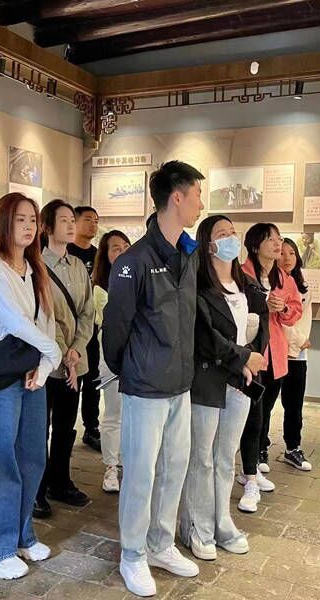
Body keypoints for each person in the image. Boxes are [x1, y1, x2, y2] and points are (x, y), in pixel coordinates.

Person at [103, 160, 204, 597]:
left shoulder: (189, 254)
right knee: (141, 473)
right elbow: (115, 328)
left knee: (174, 467)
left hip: (181, 384)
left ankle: (161, 543)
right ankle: (132, 553)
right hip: (145, 386)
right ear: (176, 198)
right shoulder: (134, 261)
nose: (201, 204)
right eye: (197, 195)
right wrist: (131, 369)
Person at [0, 192, 61, 580]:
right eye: (20, 219)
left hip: (32, 374)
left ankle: (22, 535)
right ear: (3, 223)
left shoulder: (35, 269)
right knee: (0, 462)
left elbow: (46, 320)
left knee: (32, 457)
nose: (28, 226)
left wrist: (46, 362)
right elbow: (16, 322)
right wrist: (52, 352)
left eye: (32, 220)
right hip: (3, 378)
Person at [179, 215, 269, 561]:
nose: (231, 238)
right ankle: (197, 527)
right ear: (208, 243)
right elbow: (205, 337)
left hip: (240, 383)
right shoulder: (199, 286)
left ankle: (222, 521)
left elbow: (260, 327)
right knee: (201, 458)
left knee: (225, 457)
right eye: (222, 234)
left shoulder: (248, 286)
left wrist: (252, 359)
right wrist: (242, 359)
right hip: (209, 380)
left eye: (233, 232)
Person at [35, 199, 94, 518]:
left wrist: (77, 349)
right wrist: (63, 354)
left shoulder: (78, 267)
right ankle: (37, 487)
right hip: (48, 363)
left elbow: (87, 312)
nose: (71, 225)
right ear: (47, 227)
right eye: (64, 220)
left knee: (66, 426)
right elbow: (45, 317)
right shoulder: (36, 267)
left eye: (73, 220)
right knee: (39, 427)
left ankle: (60, 481)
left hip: (74, 361)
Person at [236, 223, 302, 512]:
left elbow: (294, 311)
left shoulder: (283, 277)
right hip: (251, 354)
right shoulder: (240, 274)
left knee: (263, 414)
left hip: (275, 353)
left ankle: (250, 467)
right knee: (251, 415)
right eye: (271, 239)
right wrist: (263, 305)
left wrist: (282, 308)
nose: (278, 244)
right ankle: (249, 471)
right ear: (255, 245)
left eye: (279, 239)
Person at [91, 230, 131, 493]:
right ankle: (111, 467)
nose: (123, 251)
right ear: (105, 256)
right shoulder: (100, 289)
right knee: (114, 413)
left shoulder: (138, 280)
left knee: (133, 414)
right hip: (112, 357)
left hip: (137, 357)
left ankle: (127, 462)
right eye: (116, 248)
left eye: (126, 246)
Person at [67, 206, 102, 451]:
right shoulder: (66, 253)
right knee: (70, 384)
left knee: (92, 382)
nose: (93, 224)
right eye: (88, 219)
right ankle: (65, 431)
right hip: (68, 331)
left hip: (91, 329)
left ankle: (91, 427)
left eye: (96, 221)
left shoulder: (98, 255)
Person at [279, 238, 314, 472]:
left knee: (294, 405)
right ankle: (260, 449)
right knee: (265, 404)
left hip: (298, 355)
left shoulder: (304, 286)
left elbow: (305, 318)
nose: (287, 258)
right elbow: (278, 320)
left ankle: (293, 448)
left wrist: (301, 342)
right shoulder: (271, 284)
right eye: (282, 253)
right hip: (276, 351)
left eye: (292, 253)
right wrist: (299, 340)